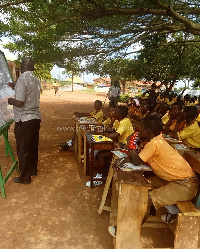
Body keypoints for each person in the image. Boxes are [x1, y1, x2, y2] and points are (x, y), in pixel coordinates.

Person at [109, 115, 198, 237]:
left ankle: (126, 231)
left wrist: (130, 146)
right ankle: (172, 210)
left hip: (186, 185)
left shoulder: (155, 143)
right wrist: (127, 157)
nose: (138, 131)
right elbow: (138, 158)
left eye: (141, 128)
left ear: (148, 130)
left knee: (147, 199)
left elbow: (136, 161)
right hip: (174, 181)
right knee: (143, 187)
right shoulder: (156, 141)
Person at [7, 57, 41, 184]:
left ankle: (25, 177)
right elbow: (28, 91)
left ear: (21, 67)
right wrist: (15, 86)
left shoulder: (22, 79)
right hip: (35, 119)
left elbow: (20, 102)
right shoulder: (36, 80)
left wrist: (10, 101)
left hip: (24, 119)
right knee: (32, 146)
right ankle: (32, 170)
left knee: (23, 148)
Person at [86, 105, 134, 187]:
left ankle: (99, 178)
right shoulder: (118, 121)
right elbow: (110, 129)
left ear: (120, 114)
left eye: (116, 111)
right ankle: (94, 169)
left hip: (125, 147)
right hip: (117, 144)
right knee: (95, 149)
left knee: (100, 155)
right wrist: (107, 125)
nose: (113, 112)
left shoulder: (125, 122)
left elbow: (114, 135)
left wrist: (102, 133)